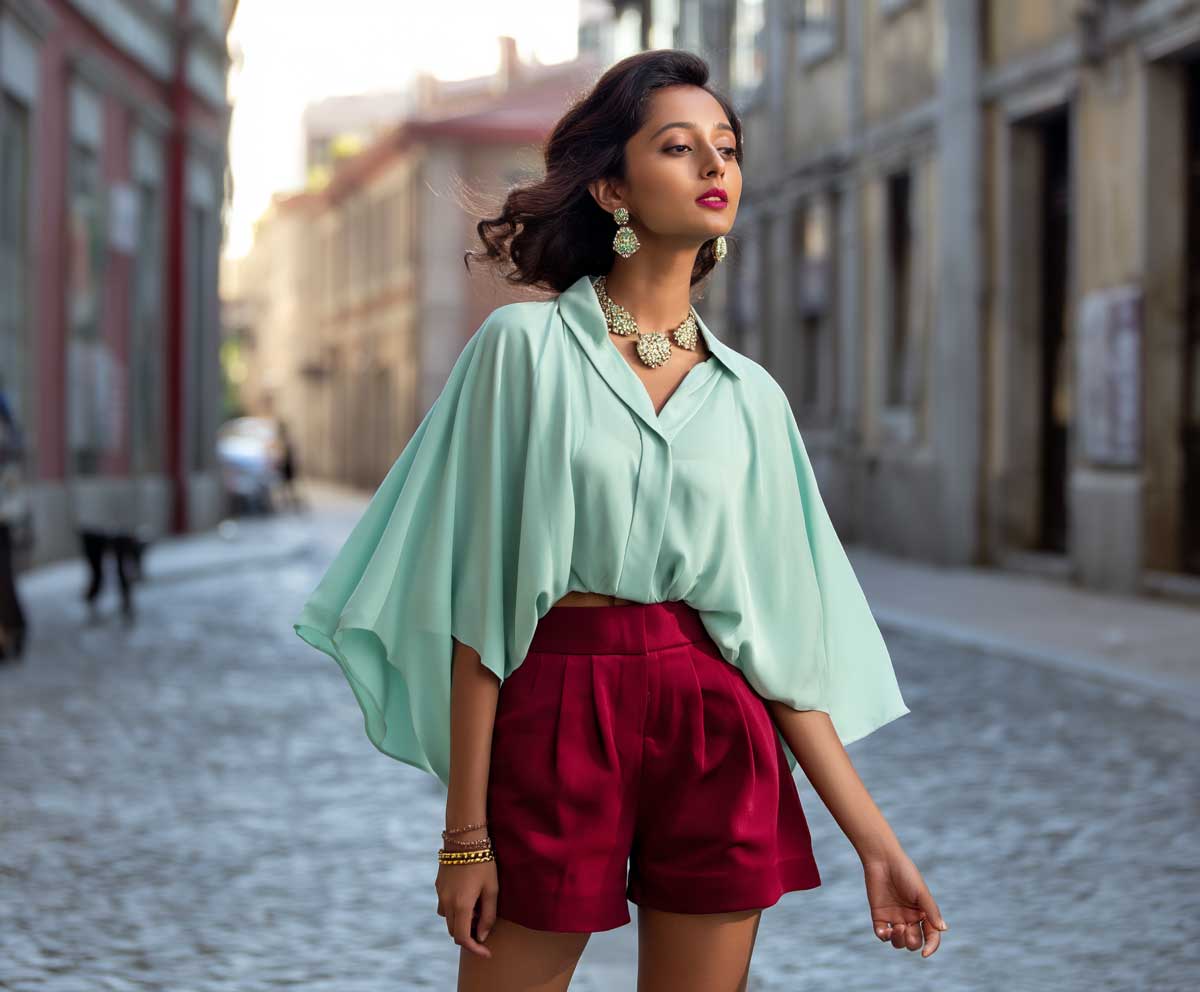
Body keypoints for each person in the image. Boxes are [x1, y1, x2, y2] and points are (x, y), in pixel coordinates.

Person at [293, 50, 948, 990]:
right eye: (680, 148)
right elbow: (480, 610)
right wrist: (465, 837)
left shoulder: (750, 399)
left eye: (727, 147)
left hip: (714, 722)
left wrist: (875, 844)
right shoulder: (520, 354)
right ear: (610, 186)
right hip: (557, 701)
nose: (716, 166)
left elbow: (780, 646)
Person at [0, 381, 30, 661]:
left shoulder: (5, 425)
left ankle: (11, 631)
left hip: (3, 516)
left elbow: (12, 468)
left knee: (4, 579)